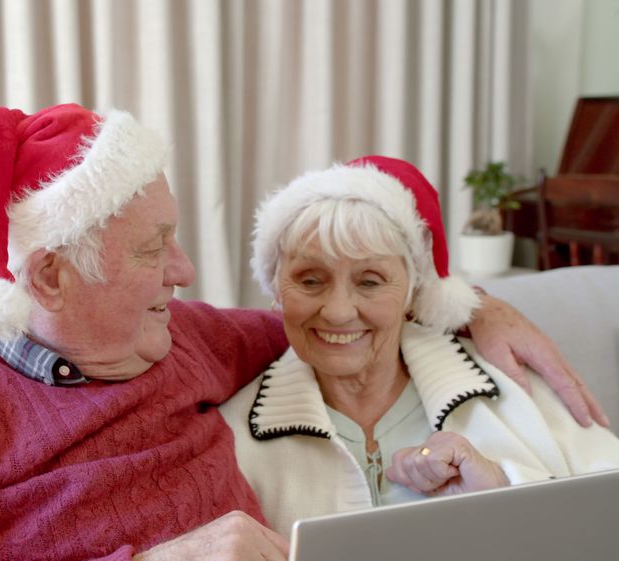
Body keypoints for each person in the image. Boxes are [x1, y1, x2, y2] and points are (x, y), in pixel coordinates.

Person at [0, 104, 606, 561]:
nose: (185, 270)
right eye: (151, 248)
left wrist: (473, 304)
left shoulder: (181, 338)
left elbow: (338, 319)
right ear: (52, 277)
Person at [221, 155, 619, 536]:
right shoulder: (232, 439)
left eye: (370, 281)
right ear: (276, 290)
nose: (339, 312)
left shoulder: (514, 387)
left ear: (412, 292)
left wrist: (504, 488)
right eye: (310, 280)